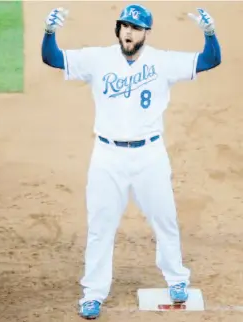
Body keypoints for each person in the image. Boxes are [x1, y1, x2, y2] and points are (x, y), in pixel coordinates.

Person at [41, 4, 221, 320]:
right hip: (107, 156)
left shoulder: (163, 61)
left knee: (164, 219)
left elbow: (210, 60)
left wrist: (210, 34)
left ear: (145, 33)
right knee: (100, 227)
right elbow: (53, 58)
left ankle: (177, 279)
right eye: (124, 25)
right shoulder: (98, 58)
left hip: (150, 155)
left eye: (136, 28)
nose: (129, 32)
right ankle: (93, 294)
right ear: (118, 29)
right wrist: (49, 33)